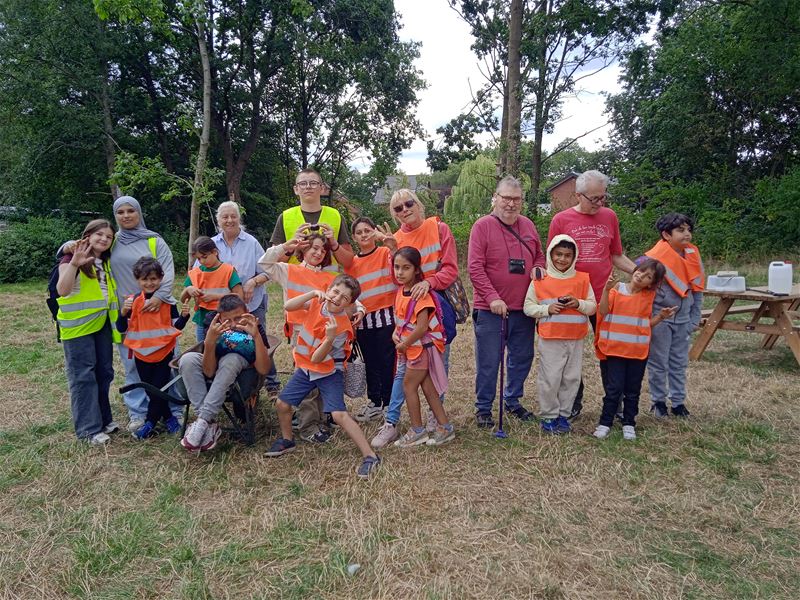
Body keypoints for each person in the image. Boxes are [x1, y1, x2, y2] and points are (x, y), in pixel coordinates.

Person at [265, 275, 381, 479]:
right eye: (335, 292)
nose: (337, 298)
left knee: (338, 415)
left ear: (350, 304)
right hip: (306, 369)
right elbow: (288, 306)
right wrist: (310, 293)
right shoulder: (315, 303)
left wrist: (329, 339)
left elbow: (317, 357)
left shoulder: (342, 328)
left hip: (328, 372)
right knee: (283, 404)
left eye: (344, 298)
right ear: (329, 289)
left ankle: (370, 455)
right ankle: (287, 440)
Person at [371, 188, 459, 448]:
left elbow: (451, 269)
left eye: (408, 203)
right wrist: (391, 248)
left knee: (436, 366)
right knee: (405, 375)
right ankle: (396, 422)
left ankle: (434, 421)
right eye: (397, 208)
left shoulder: (439, 228)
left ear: (418, 204)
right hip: (407, 313)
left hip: (434, 307)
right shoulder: (394, 238)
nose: (404, 209)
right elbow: (395, 278)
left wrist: (429, 283)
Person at [259, 231, 365, 443]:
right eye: (313, 248)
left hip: (327, 332)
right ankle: (308, 426)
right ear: (303, 249)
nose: (318, 253)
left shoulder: (329, 276)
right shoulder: (289, 270)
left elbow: (346, 295)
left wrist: (360, 308)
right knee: (307, 381)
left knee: (324, 377)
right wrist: (284, 247)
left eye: (323, 250)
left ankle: (323, 418)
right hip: (302, 332)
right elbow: (264, 263)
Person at [547, 170, 637, 420]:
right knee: (570, 353)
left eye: (603, 197)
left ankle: (614, 403)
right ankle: (572, 401)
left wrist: (639, 271)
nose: (601, 203)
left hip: (604, 298)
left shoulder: (609, 217)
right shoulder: (561, 220)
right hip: (571, 298)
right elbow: (553, 260)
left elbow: (616, 255)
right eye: (594, 198)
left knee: (610, 350)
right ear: (578, 195)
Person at [468, 175, 545, 429]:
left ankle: (512, 400)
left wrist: (538, 268)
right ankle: (484, 408)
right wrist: (492, 298)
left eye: (516, 199)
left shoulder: (529, 225)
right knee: (490, 362)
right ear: (495, 198)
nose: (510, 204)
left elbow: (540, 257)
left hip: (523, 308)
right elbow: (475, 268)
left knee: (522, 357)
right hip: (491, 310)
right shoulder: (482, 226)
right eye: (506, 198)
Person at [593, 259, 676, 440]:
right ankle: (605, 422)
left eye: (648, 276)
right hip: (615, 350)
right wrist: (606, 290)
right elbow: (604, 311)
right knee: (613, 389)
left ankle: (629, 423)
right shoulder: (617, 289)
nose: (641, 276)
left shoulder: (648, 297)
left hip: (637, 352)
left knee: (633, 390)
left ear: (652, 283)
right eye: (641, 271)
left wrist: (660, 317)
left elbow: (644, 325)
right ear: (635, 270)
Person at [179, 294, 272, 452]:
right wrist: (210, 341)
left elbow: (263, 369)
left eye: (238, 318)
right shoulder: (213, 325)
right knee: (187, 359)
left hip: (241, 371)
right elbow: (208, 371)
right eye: (228, 320)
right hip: (216, 368)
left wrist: (256, 335)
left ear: (247, 312)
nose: (234, 325)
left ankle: (202, 421)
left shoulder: (254, 325)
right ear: (220, 318)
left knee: (231, 358)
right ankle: (208, 425)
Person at [523, 235, 596, 434]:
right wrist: (547, 310)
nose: (562, 259)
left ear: (574, 257)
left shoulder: (582, 278)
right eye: (558, 254)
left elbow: (592, 306)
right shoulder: (540, 279)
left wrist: (578, 304)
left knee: (571, 378)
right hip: (551, 338)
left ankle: (564, 415)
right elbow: (528, 307)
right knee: (550, 378)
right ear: (550, 254)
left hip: (575, 338)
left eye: (567, 255)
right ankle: (549, 416)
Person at [56, 219, 119, 444]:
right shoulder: (71, 258)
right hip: (78, 328)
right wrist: (73, 262)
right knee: (83, 377)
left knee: (104, 373)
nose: (103, 239)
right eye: (98, 234)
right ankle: (88, 429)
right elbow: (62, 290)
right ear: (87, 236)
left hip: (100, 326)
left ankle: (103, 420)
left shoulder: (105, 262)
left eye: (108, 237)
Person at [210, 201, 280, 394]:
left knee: (260, 341)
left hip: (252, 303)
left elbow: (268, 271)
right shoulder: (212, 245)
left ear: (239, 218)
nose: (230, 220)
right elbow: (199, 272)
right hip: (224, 308)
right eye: (225, 217)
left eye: (233, 216)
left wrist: (252, 282)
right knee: (227, 341)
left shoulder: (251, 243)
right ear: (218, 220)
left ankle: (271, 383)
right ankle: (229, 382)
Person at [117, 257, 190, 440]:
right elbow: (121, 328)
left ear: (161, 279)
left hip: (164, 354)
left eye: (153, 279)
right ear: (137, 280)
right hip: (141, 355)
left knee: (159, 388)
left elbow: (177, 327)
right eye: (145, 279)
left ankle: (149, 422)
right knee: (152, 390)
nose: (149, 283)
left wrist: (185, 316)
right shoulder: (132, 301)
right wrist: (123, 313)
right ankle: (168, 417)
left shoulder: (168, 302)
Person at [392, 247, 454, 447]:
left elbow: (421, 327)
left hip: (419, 349)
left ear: (417, 270)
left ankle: (417, 430)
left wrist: (404, 343)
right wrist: (396, 334)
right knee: (428, 389)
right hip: (413, 348)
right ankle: (445, 427)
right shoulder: (401, 291)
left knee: (408, 386)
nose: (400, 272)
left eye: (406, 268)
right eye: (397, 267)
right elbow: (402, 320)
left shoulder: (421, 295)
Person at [644, 213, 705, 418]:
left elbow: (697, 288)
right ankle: (658, 402)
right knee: (658, 361)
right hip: (661, 319)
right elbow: (645, 291)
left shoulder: (693, 255)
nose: (687, 234)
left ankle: (678, 402)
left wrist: (694, 317)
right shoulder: (654, 259)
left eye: (688, 229)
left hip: (684, 319)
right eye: (680, 230)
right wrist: (651, 319)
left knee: (679, 362)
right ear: (666, 235)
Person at [345, 217, 398, 422]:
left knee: (387, 362)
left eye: (368, 230)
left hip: (386, 318)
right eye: (359, 232)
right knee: (370, 363)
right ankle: (375, 402)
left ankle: (388, 402)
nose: (364, 235)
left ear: (374, 233)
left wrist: (392, 247)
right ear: (354, 237)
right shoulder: (352, 263)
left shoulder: (385, 253)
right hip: (364, 320)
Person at [269, 168, 354, 268]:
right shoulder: (285, 217)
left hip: (328, 281)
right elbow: (272, 262)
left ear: (322, 188)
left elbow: (348, 262)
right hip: (295, 281)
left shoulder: (336, 216)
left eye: (313, 183)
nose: (308, 187)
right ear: (296, 189)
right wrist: (291, 247)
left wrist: (334, 244)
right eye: (303, 183)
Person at [182, 236, 243, 342]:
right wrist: (188, 290)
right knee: (204, 350)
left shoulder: (228, 271)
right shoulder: (195, 273)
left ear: (214, 252)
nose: (202, 261)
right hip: (202, 320)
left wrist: (215, 297)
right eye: (198, 258)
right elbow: (183, 299)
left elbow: (239, 296)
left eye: (204, 257)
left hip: (225, 321)